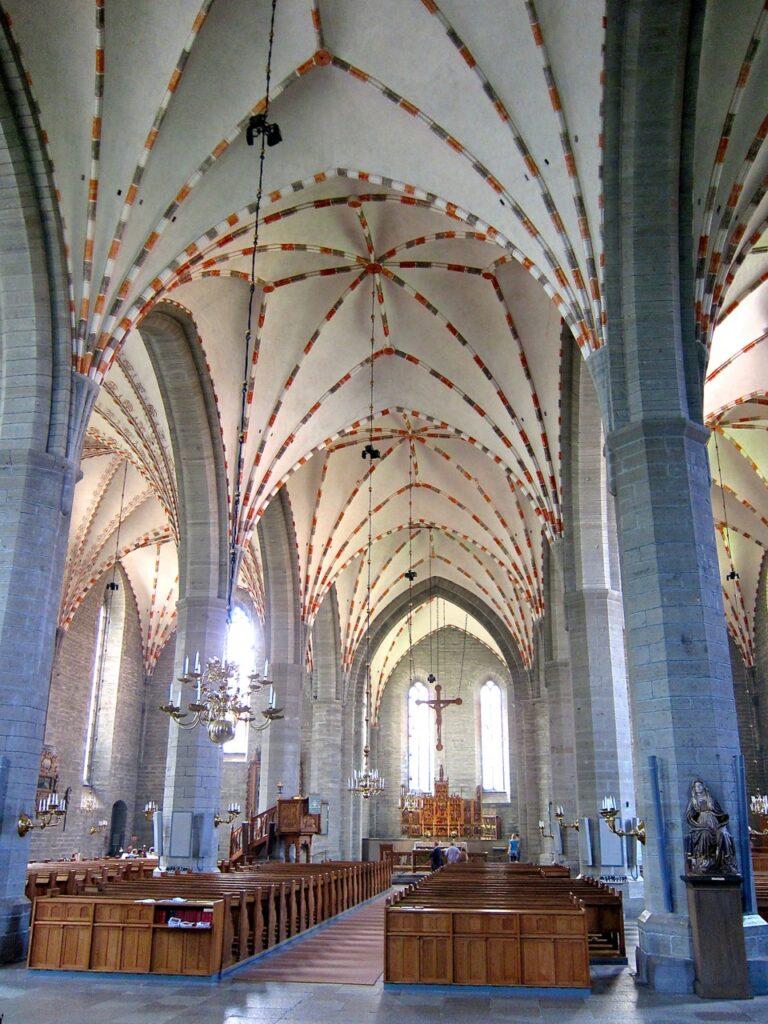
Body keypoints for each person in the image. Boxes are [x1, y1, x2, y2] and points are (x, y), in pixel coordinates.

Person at [684, 778, 737, 875]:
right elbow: (689, 815)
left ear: (703, 786)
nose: (698, 788)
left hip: (714, 821)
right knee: (705, 834)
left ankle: (725, 861)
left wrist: (721, 820)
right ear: (694, 789)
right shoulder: (693, 801)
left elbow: (719, 811)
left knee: (722, 835)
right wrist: (698, 823)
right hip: (702, 824)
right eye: (696, 786)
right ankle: (705, 861)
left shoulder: (710, 799)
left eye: (700, 785)